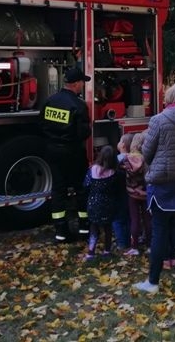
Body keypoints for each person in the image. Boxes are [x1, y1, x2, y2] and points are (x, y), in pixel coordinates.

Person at [133, 82, 175, 294]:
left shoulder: (158, 120)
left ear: (169, 98)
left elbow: (147, 151)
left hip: (162, 182)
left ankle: (153, 281)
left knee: (159, 232)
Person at [40, 66, 92, 242]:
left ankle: (60, 231)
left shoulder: (50, 101)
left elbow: (42, 125)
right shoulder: (78, 105)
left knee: (58, 190)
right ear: (76, 83)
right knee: (81, 189)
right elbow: (83, 133)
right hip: (73, 152)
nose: (83, 86)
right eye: (82, 83)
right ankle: (85, 228)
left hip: (53, 151)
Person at [83, 145, 123, 260]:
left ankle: (91, 252)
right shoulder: (114, 174)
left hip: (93, 204)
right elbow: (117, 190)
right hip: (108, 205)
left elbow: (85, 185)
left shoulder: (92, 170)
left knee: (94, 228)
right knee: (107, 228)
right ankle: (107, 251)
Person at [122, 132, 150, 256]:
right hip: (145, 193)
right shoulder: (146, 159)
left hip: (132, 194)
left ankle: (134, 247)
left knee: (134, 220)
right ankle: (150, 245)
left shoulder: (126, 158)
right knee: (148, 219)